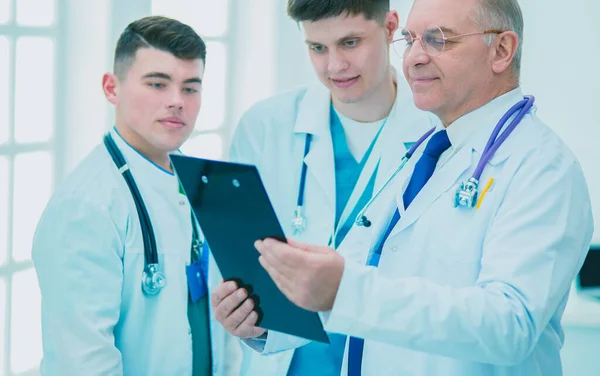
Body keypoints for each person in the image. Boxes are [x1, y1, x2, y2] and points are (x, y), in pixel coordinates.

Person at [251, 0, 595, 375]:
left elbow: (510, 324)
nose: (412, 58)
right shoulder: (426, 153)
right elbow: (353, 268)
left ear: (501, 50)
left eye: (437, 40)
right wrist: (265, 323)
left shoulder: (543, 167)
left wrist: (344, 290)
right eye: (410, 39)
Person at [210, 0, 433, 375]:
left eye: (350, 43)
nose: (334, 66)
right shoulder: (265, 127)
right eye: (317, 48)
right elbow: (241, 260)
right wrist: (244, 316)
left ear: (391, 27)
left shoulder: (436, 131)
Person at [32, 16, 240, 376]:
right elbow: (84, 365)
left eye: (191, 88)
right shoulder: (85, 206)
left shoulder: (201, 183)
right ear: (112, 88)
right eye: (158, 84)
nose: (177, 101)